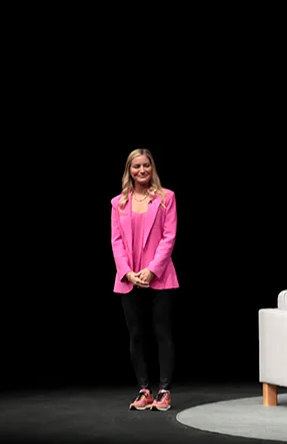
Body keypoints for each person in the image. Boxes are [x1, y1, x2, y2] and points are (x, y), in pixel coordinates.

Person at [109, 148, 179, 412]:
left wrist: (152, 270)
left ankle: (164, 391)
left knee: (161, 332)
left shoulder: (166, 198)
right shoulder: (118, 203)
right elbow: (116, 241)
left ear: (153, 168)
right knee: (136, 334)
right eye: (136, 166)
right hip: (129, 277)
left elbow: (169, 237)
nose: (141, 170)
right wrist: (127, 272)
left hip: (159, 276)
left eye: (146, 165)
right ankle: (144, 390)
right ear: (129, 170)